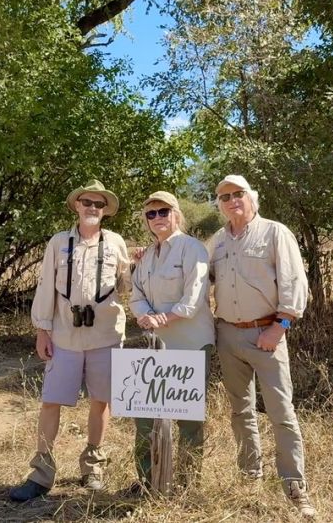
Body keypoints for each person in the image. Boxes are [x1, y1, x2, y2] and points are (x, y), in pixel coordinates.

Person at [9, 179, 131, 502]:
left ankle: (93, 467)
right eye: (87, 203)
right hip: (63, 335)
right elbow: (46, 286)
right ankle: (41, 473)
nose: (93, 208)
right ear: (76, 205)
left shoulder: (117, 243)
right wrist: (41, 329)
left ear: (105, 211)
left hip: (106, 335)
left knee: (100, 401)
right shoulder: (58, 243)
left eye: (99, 204)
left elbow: (129, 285)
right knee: (51, 401)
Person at [208, 174, 316, 518]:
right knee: (240, 411)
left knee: (281, 412)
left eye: (238, 194)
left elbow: (294, 282)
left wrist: (279, 326)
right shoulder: (218, 241)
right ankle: (250, 475)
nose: (232, 200)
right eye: (224, 196)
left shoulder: (274, 232)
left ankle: (294, 485)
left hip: (267, 334)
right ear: (219, 205)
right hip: (228, 334)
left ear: (252, 198)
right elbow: (197, 275)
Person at [127, 191, 215, 494]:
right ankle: (147, 481)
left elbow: (192, 299)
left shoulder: (193, 249)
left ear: (176, 214)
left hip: (191, 343)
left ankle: (188, 484)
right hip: (155, 347)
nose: (157, 219)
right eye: (150, 214)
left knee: (187, 421)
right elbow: (135, 295)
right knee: (145, 417)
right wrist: (144, 316)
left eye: (163, 212)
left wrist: (162, 318)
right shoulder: (148, 255)